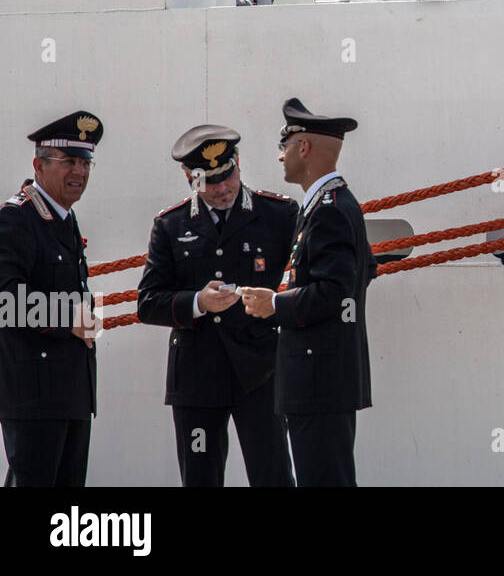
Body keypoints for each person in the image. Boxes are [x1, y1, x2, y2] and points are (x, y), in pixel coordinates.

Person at [137, 125, 298, 487]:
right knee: (200, 477)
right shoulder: (170, 225)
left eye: (228, 175)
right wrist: (198, 302)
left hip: (261, 371)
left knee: (272, 474)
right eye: (211, 182)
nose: (223, 189)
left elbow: (302, 279)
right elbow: (148, 302)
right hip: (197, 374)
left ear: (238, 164)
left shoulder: (279, 215)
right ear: (189, 177)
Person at [240, 99, 376, 487]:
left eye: (284, 145)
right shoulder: (327, 204)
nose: (279, 156)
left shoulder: (330, 208)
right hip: (320, 376)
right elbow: (365, 271)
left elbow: (334, 289)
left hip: (319, 379)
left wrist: (275, 304)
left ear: (303, 148)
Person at [0, 111, 103, 486]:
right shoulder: (17, 219)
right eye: (68, 162)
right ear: (38, 165)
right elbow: (5, 301)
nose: (79, 172)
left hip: (71, 392)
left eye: (85, 162)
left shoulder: (63, 218)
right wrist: (68, 318)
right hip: (33, 396)